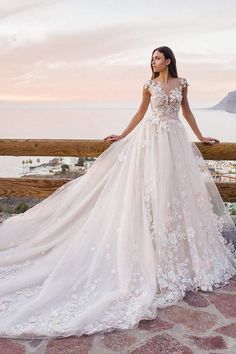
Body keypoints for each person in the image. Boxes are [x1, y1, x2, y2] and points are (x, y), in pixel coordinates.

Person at [0, 46, 235, 339]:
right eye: (152, 59)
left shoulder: (182, 83)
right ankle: (152, 249)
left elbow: (186, 111)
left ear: (169, 61)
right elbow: (140, 112)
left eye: (158, 58)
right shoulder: (148, 85)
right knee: (151, 192)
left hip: (175, 139)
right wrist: (122, 135)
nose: (153, 62)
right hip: (152, 140)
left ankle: (177, 254)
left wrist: (200, 136)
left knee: (177, 195)